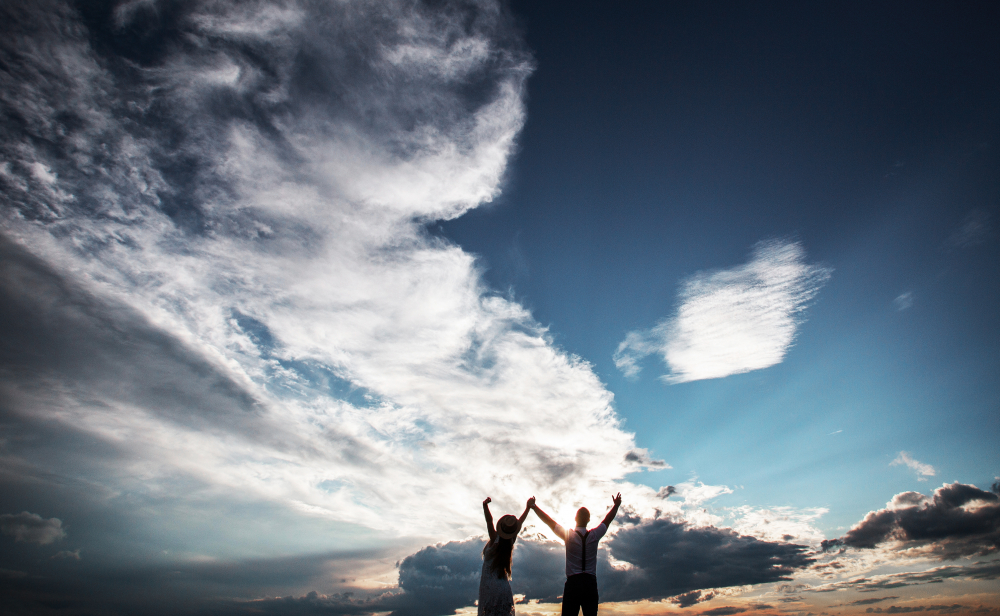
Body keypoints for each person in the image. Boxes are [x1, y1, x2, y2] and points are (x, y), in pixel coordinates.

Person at [530, 493, 622, 616]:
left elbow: (549, 522)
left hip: (573, 584)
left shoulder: (569, 536)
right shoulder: (594, 535)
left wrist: (534, 507)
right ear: (588, 519)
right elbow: (607, 520)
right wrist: (616, 506)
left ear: (575, 518)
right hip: (590, 584)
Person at [479, 496, 534, 616]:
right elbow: (520, 521)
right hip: (504, 589)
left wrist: (485, 506)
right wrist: (528, 508)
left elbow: (489, 521)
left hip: (490, 590)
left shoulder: (494, 540)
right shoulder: (509, 543)